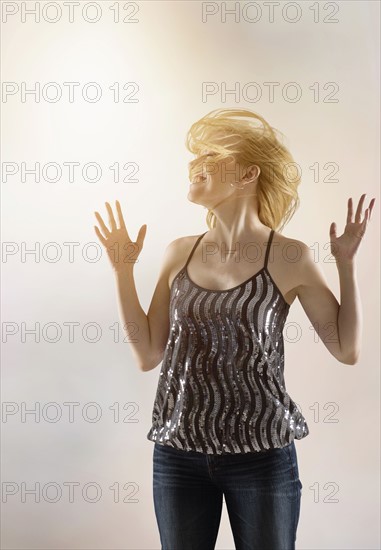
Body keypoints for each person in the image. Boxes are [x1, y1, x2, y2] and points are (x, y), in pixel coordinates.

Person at [93, 108, 375, 550]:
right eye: (195, 156)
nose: (196, 164)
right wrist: (122, 270)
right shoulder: (178, 253)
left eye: (211, 154)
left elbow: (346, 349)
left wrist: (346, 265)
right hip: (178, 453)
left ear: (248, 174)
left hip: (262, 457)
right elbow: (148, 354)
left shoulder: (288, 256)